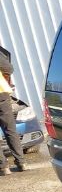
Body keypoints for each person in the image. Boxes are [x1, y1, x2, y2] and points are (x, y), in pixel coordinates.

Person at [0, 46, 25, 175]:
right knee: (10, 128)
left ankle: (4, 167)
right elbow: (8, 68)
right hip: (1, 94)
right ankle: (21, 162)